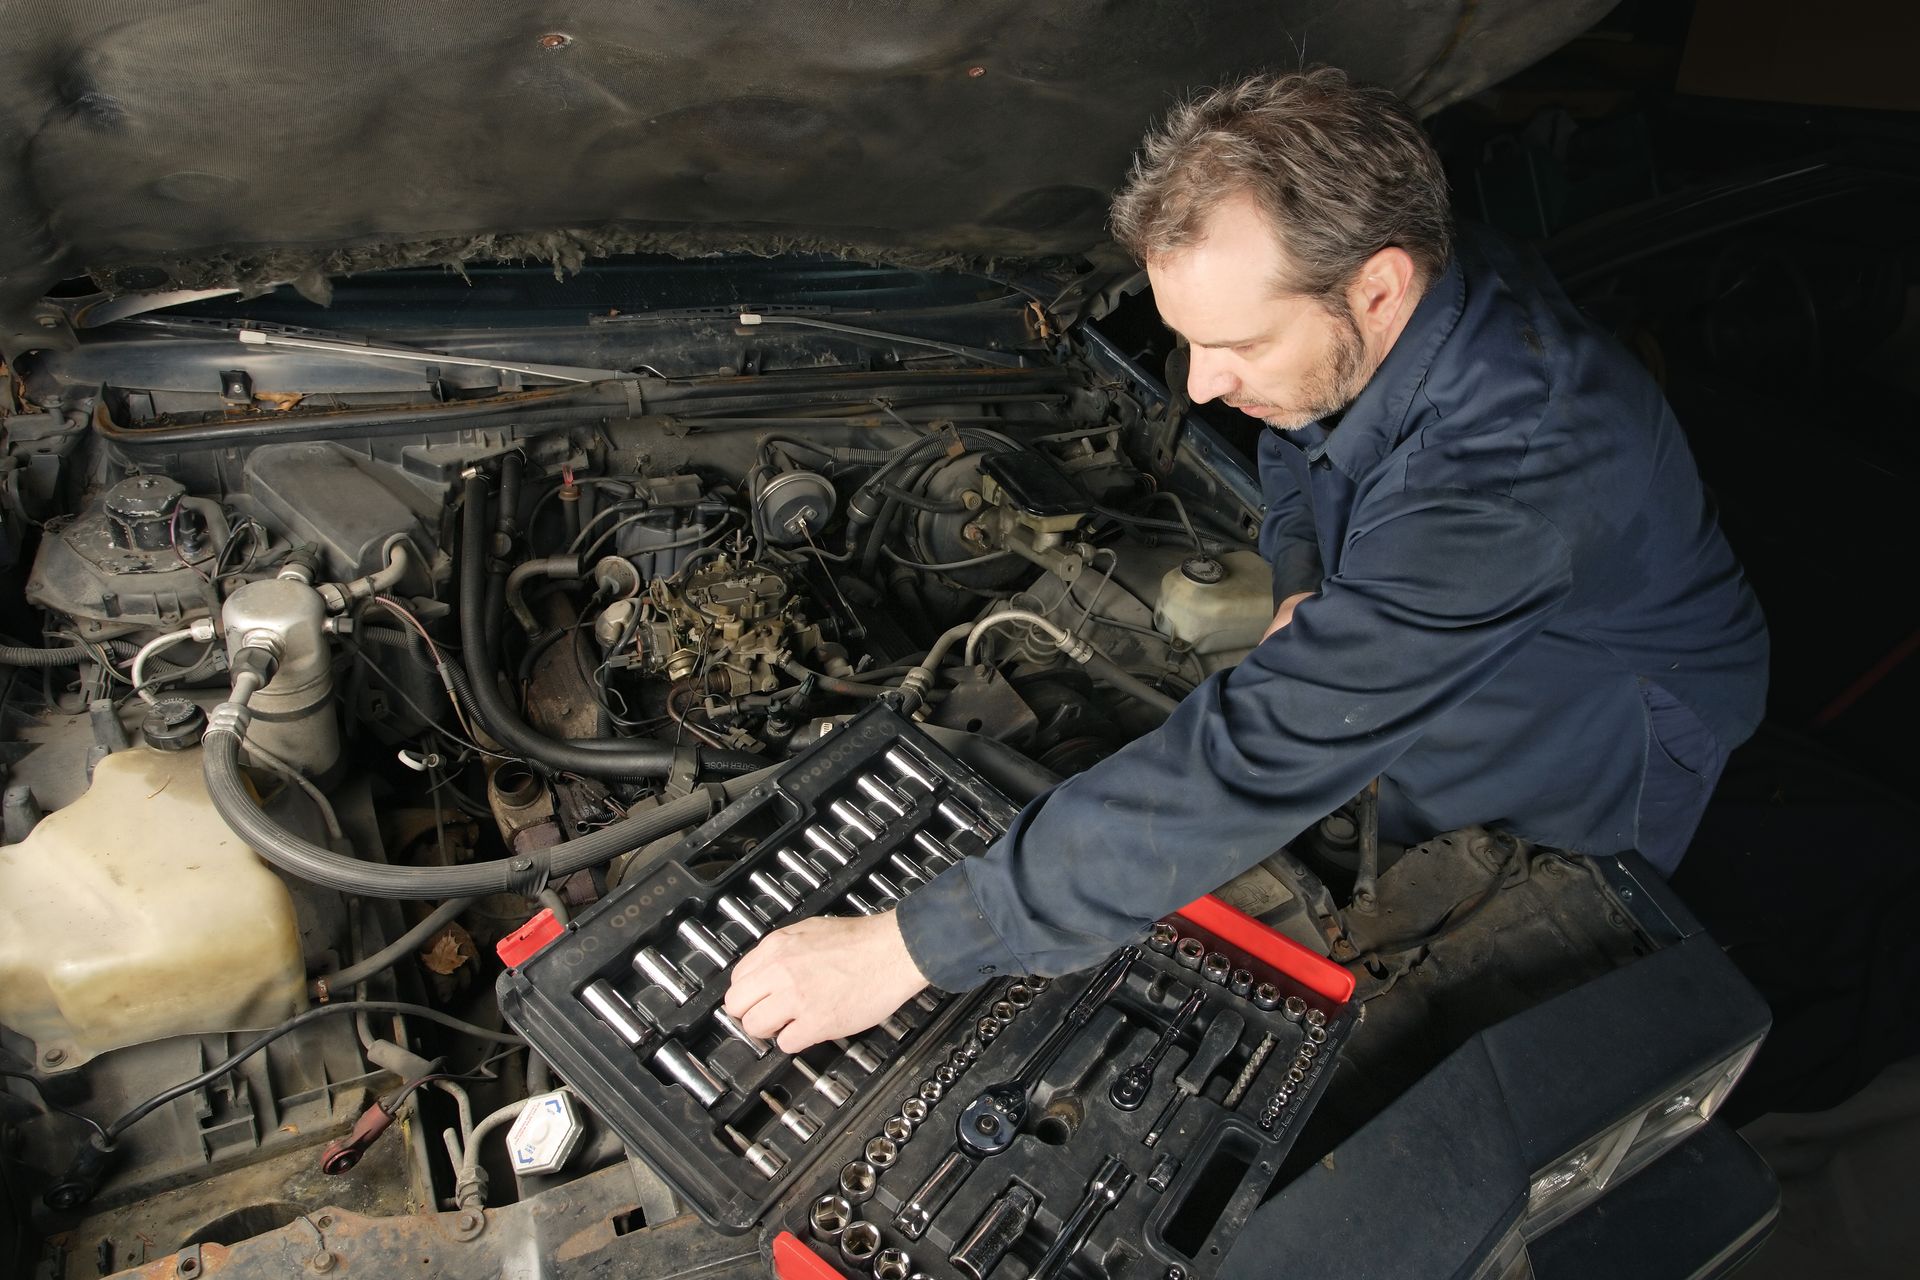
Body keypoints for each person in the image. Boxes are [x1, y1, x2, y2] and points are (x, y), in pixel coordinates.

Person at [723, 67, 1768, 1052]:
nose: (1201, 387)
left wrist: (910, 944)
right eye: (1187, 340)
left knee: (1517, 919)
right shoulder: (1377, 296)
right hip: (1454, 593)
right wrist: (1306, 581)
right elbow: (1301, 445)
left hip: (1602, 706)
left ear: (1380, 288)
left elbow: (1257, 754)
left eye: (1239, 347)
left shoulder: (1510, 471)